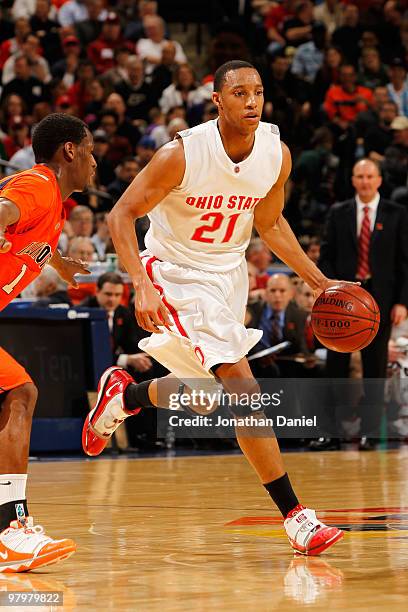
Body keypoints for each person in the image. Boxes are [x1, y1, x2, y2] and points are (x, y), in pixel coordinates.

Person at [82, 60, 344, 556]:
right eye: (239, 93)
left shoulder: (275, 153)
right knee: (243, 386)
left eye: (259, 92)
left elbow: (270, 224)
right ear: (217, 100)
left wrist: (320, 281)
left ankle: (125, 396)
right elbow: (121, 213)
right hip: (176, 273)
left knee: (203, 397)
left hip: (228, 275)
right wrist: (141, 284)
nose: (251, 101)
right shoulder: (180, 155)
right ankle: (297, 517)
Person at [0, 112, 96, 570]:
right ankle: (9, 529)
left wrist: (58, 263)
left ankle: (10, 528)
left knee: (20, 391)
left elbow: (30, 242)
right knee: (21, 392)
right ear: (70, 151)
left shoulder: (53, 206)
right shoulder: (37, 184)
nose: (95, 161)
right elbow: (4, 210)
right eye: (91, 150)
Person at [314, 158, 408, 451]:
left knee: (375, 370)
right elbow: (326, 256)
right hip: (342, 298)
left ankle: (369, 433)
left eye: (370, 176)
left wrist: (402, 302)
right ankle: (330, 432)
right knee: (335, 368)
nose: (365, 181)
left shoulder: (398, 214)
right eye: (359, 176)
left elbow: (405, 263)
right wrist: (329, 288)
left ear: (379, 180)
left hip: (379, 301)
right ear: (353, 180)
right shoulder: (338, 212)